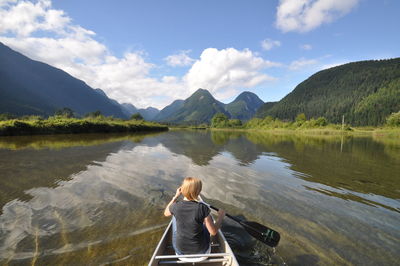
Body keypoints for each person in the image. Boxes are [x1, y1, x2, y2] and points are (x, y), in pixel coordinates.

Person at [164, 177, 225, 255]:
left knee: (174, 218)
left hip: (180, 251)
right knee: (205, 224)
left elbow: (166, 213)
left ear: (182, 190)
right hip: (201, 251)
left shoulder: (175, 206)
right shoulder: (203, 208)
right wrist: (220, 217)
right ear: (198, 192)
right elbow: (213, 232)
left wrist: (175, 197)